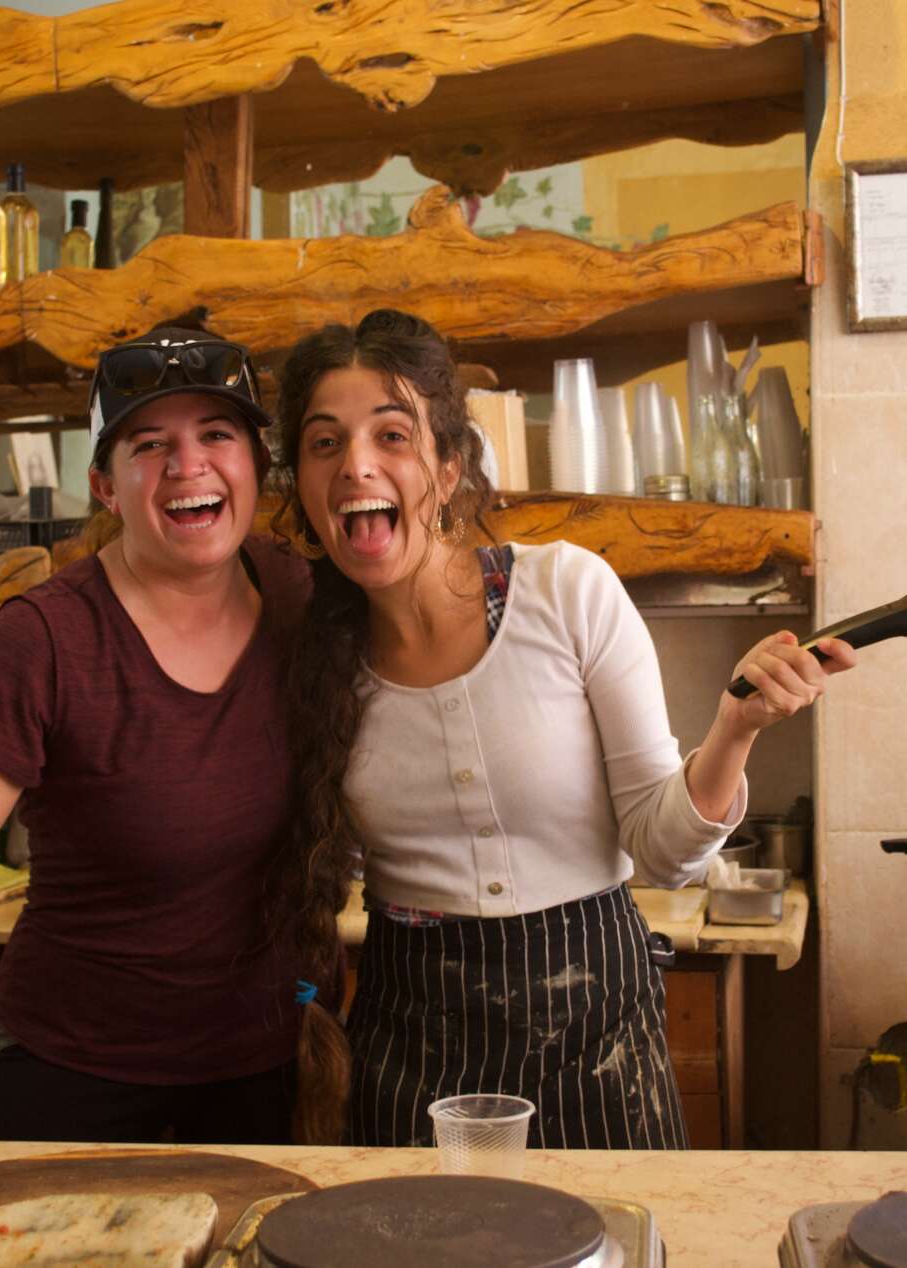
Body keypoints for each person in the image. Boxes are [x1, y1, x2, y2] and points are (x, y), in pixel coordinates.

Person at [266, 310, 855, 1149]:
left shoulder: (567, 591)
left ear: (449, 465)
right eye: (325, 443)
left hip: (600, 1050)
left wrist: (735, 728)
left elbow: (665, 855)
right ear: (302, 484)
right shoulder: (315, 656)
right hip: (411, 1054)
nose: (356, 464)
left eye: (391, 435)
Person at [0, 325, 315, 1144]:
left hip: (263, 1075)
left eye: (217, 435)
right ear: (105, 487)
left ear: (256, 464)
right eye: (150, 444)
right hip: (73, 1078)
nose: (188, 466)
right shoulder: (45, 638)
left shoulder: (301, 598)